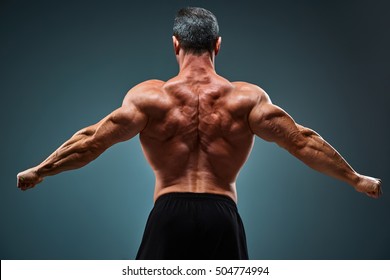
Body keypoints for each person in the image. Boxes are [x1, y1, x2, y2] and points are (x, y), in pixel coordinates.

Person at [17, 7, 382, 260]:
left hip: (168, 214)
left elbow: (92, 140)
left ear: (175, 44)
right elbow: (303, 140)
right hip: (222, 214)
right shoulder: (245, 98)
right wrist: (355, 179)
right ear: (217, 45)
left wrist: (40, 170)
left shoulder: (150, 98)